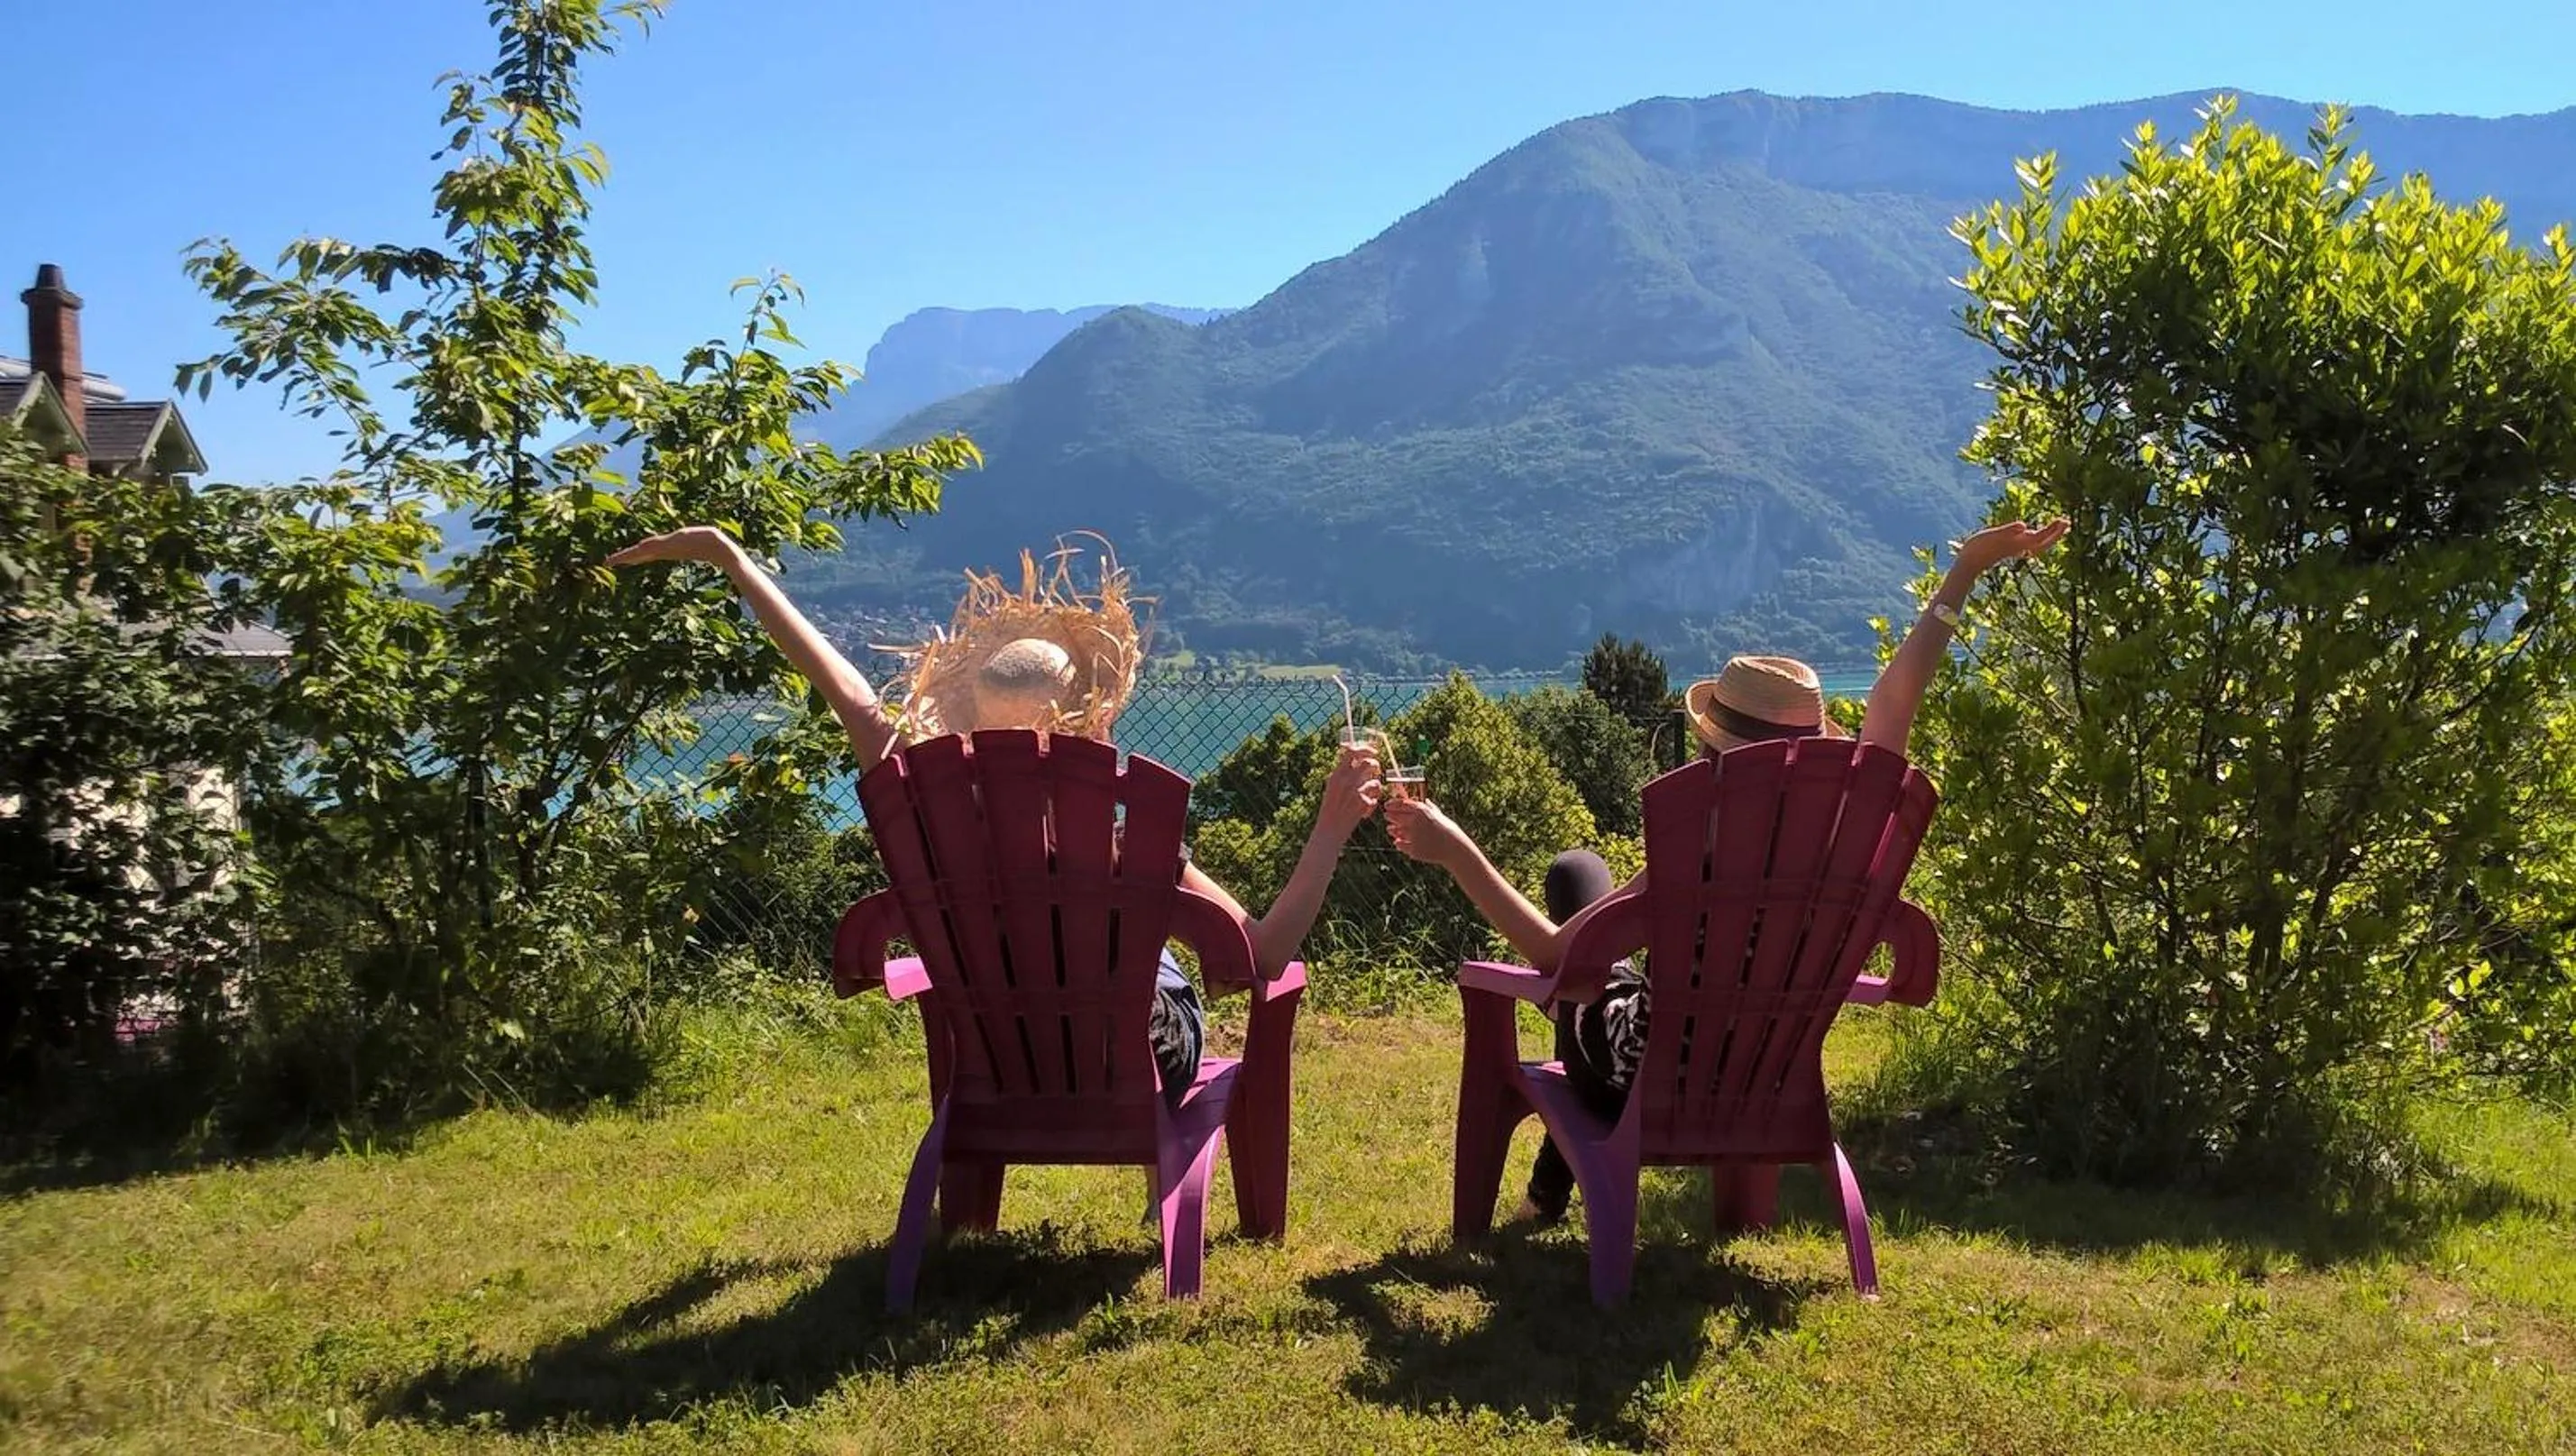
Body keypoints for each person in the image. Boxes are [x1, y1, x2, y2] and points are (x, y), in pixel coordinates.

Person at [1384, 518, 2069, 1224]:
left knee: (1574, 889)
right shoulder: (1844, 842)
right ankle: (1554, 1188)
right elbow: (1896, 699)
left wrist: (1454, 849)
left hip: (1642, 1076)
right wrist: (1963, 573)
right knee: (1581, 880)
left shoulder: (1702, 852)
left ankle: (1551, 1191)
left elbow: (1555, 958)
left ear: (1714, 746)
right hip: (1770, 1075)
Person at [606, 526, 1382, 1107]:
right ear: (1090, 723)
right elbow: (1263, 955)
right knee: (1150, 956)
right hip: (1131, 1065)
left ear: (968, 722)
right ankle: (1157, 1167)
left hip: (996, 1066)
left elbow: (843, 688)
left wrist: (734, 562)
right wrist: (1330, 824)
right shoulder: (1121, 844)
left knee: (1102, 952)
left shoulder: (927, 810)